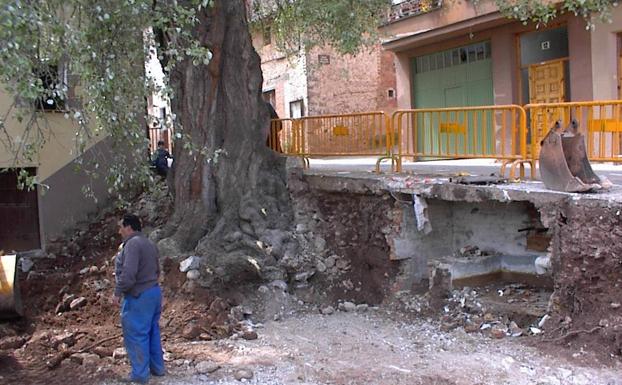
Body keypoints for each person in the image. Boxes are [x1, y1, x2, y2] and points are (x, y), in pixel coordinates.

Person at [113, 214, 165, 383]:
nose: (119, 231)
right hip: (154, 293)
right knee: (152, 331)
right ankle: (158, 368)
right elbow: (158, 270)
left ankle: (140, 375)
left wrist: (117, 293)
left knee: (136, 334)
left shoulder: (132, 244)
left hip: (139, 295)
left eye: (121, 227)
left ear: (129, 227)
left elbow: (128, 275)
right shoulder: (149, 243)